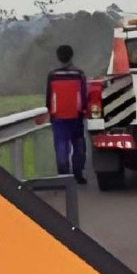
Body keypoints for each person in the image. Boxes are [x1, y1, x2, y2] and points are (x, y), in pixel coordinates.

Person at [46, 45, 88, 184]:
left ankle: (64, 179)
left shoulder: (53, 76)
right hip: (76, 117)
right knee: (79, 148)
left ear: (58, 57)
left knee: (61, 150)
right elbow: (84, 95)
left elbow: (49, 97)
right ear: (71, 56)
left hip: (59, 119)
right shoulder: (79, 74)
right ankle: (78, 175)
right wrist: (83, 111)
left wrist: (51, 114)